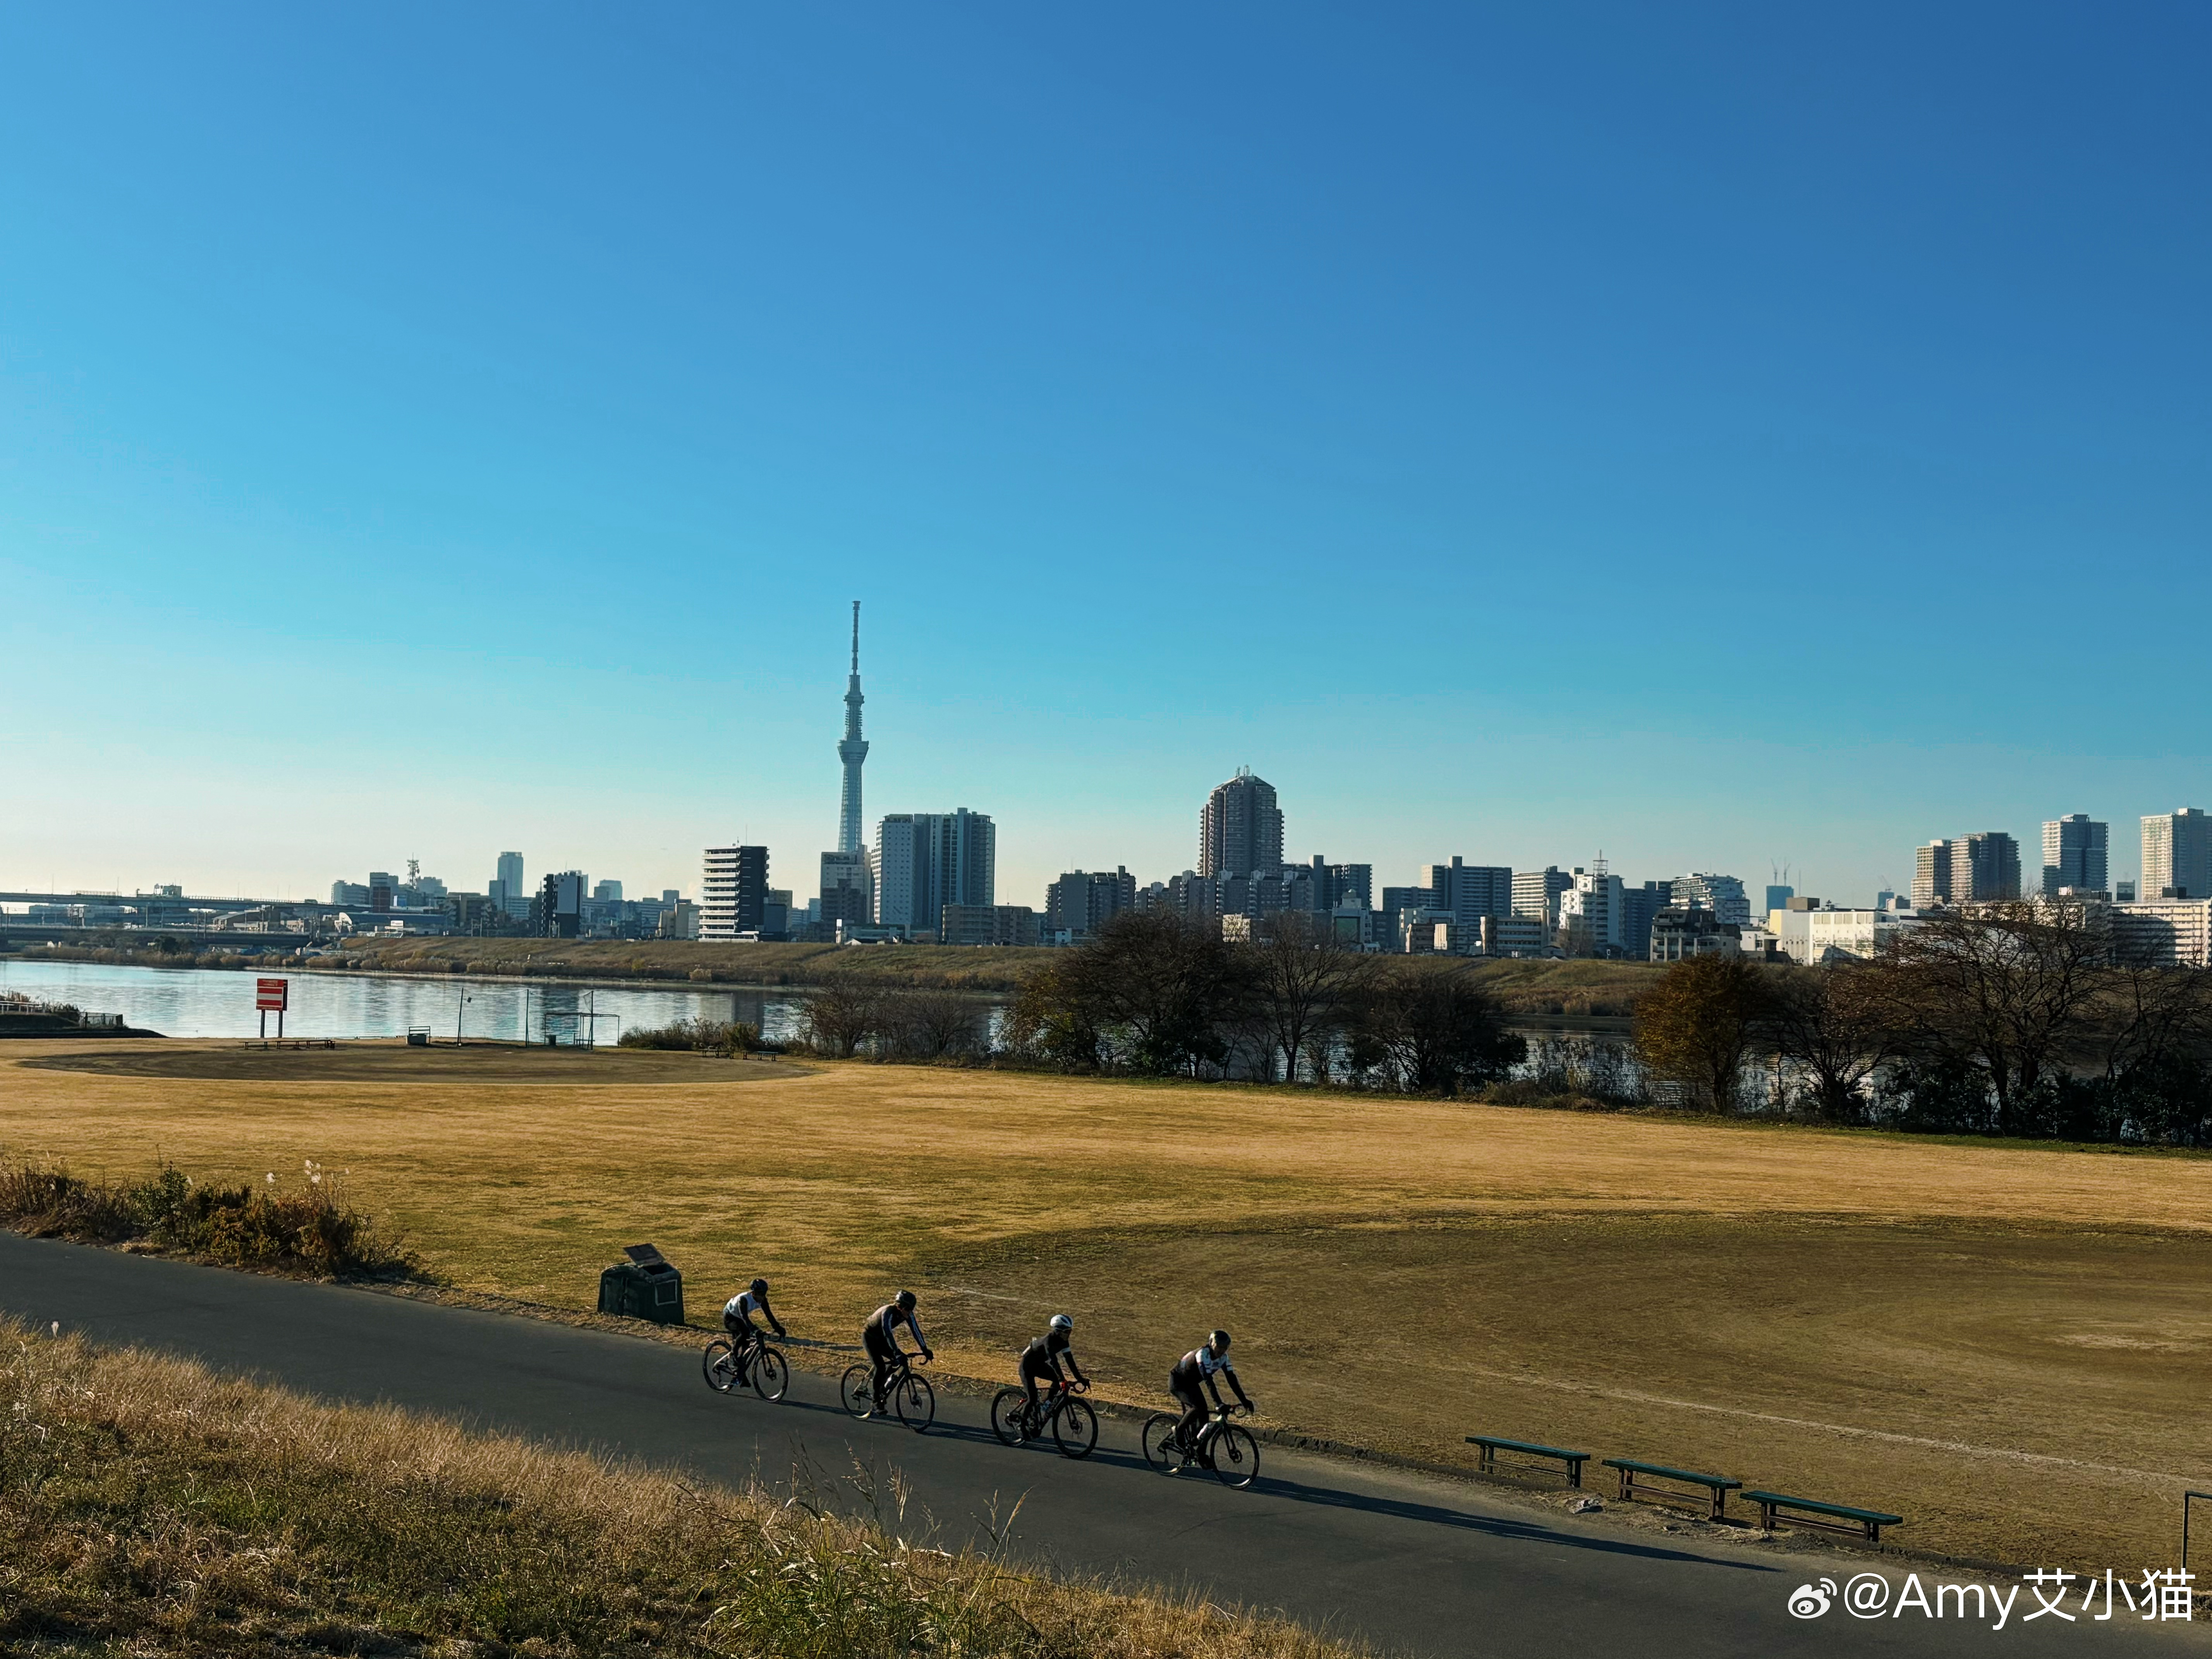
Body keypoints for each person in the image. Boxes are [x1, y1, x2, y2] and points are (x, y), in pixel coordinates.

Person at [1169, 1329, 1253, 1458]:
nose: (1221, 1351)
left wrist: (1244, 1401)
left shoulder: (1224, 1358)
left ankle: (1198, 1451)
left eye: (1225, 1348)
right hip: (1178, 1381)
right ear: (1211, 1344)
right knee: (1198, 1407)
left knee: (1204, 1417)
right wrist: (1218, 1403)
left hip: (1191, 1382)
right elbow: (1209, 1382)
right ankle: (1179, 1430)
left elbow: (1232, 1380)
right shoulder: (1203, 1355)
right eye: (1218, 1347)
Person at [862, 1289, 932, 1407]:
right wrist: (897, 1351)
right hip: (870, 1337)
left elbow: (916, 1331)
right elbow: (888, 1333)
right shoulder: (888, 1312)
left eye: (912, 1310)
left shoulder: (908, 1314)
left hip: (881, 1339)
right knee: (880, 1367)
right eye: (908, 1310)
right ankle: (876, 1401)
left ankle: (882, 1386)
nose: (910, 1312)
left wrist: (925, 1350)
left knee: (899, 1361)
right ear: (900, 1307)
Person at [1018, 1313, 1088, 1425]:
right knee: (1033, 1399)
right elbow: (1054, 1362)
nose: (1069, 1334)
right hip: (1027, 1367)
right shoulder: (1048, 1341)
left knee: (1056, 1381)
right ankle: (1022, 1424)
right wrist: (1063, 1379)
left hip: (1038, 1365)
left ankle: (1047, 1405)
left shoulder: (1064, 1342)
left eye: (1071, 1331)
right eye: (1067, 1332)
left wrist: (1081, 1379)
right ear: (1058, 1331)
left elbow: (1070, 1362)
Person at [721, 1278, 785, 1369]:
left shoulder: (763, 1300)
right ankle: (733, 1355)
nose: (762, 1297)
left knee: (747, 1342)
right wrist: (754, 1329)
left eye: (764, 1294)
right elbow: (745, 1318)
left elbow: (769, 1315)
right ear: (754, 1293)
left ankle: (740, 1363)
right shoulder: (743, 1300)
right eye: (760, 1294)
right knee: (745, 1332)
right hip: (730, 1316)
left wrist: (778, 1328)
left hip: (739, 1317)